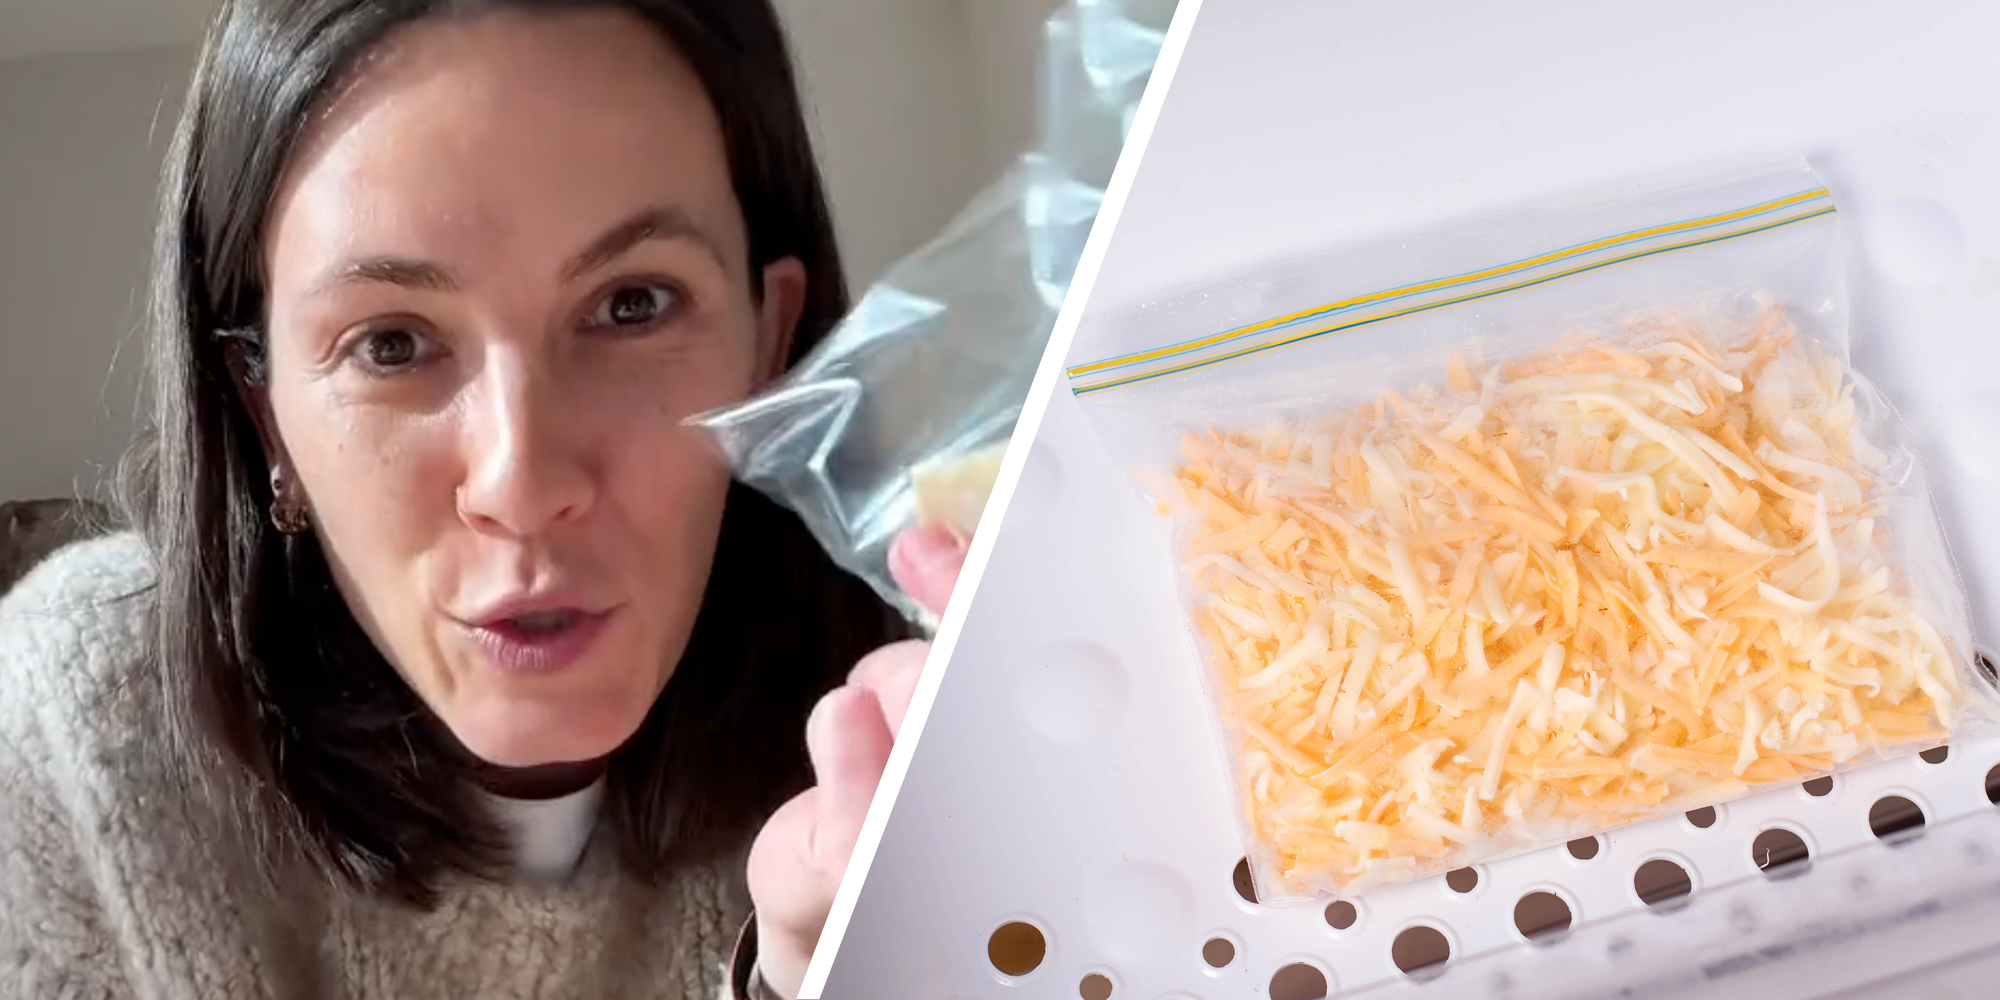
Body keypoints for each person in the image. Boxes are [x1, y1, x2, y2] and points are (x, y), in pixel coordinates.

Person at [0, 1, 965, 997]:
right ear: (268, 415)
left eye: (632, 304)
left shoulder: (914, 721)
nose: (523, 485)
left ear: (767, 352)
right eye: (390, 344)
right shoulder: (74, 745)